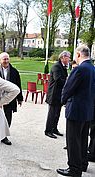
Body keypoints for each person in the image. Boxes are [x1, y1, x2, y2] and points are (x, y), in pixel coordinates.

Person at [56, 45, 95, 177]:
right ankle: (83, 164)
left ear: (78, 54)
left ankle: (74, 169)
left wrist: (62, 101)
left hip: (76, 110)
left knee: (73, 141)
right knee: (83, 139)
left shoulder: (79, 69)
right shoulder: (92, 68)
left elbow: (68, 89)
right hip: (88, 111)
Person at [0, 52, 23, 145]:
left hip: (10, 99)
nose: (6, 61)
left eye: (7, 59)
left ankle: (4, 136)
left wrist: (20, 98)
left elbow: (18, 85)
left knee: (7, 118)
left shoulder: (14, 71)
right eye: (4, 59)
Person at [44, 51, 70, 139]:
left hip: (60, 94)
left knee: (57, 113)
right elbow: (58, 79)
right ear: (63, 57)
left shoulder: (63, 67)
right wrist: (68, 82)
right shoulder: (56, 66)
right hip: (54, 94)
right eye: (68, 57)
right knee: (52, 113)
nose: (69, 59)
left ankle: (54, 128)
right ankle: (48, 130)